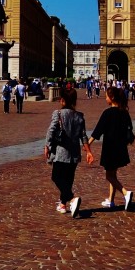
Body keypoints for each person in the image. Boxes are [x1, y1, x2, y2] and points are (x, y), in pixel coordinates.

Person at [85, 85, 134, 211]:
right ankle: (111, 201)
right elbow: (130, 129)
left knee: (109, 176)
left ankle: (125, 192)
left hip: (110, 146)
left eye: (106, 96)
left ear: (111, 98)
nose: (105, 98)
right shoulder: (124, 112)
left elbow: (98, 130)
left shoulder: (107, 113)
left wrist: (88, 143)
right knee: (113, 173)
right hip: (121, 146)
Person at [44, 86, 88, 218]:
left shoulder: (58, 114)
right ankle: (63, 204)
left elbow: (51, 131)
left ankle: (72, 198)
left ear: (62, 101)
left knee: (56, 177)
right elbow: (83, 135)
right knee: (68, 179)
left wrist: (47, 145)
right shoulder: (79, 116)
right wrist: (88, 150)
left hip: (61, 152)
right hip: (74, 153)